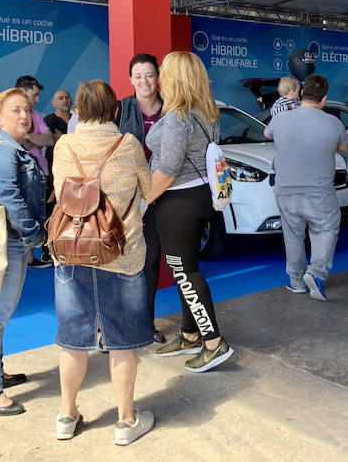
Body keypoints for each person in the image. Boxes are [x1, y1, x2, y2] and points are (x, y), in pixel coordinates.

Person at [51, 80, 155, 444]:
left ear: (78, 111)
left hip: (72, 251)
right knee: (122, 341)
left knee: (73, 340)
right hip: (121, 254)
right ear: (115, 110)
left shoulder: (64, 144)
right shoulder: (127, 145)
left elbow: (60, 189)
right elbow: (148, 190)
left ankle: (66, 415)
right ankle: (126, 422)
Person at [145, 51, 234, 372]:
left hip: (177, 202)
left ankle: (213, 343)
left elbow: (167, 169)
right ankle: (189, 333)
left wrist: (143, 200)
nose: (158, 78)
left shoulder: (176, 119)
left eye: (163, 73)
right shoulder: (206, 112)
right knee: (187, 267)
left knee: (183, 271)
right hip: (200, 196)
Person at [0, 88, 46, 416]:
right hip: (7, 242)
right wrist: (35, 235)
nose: (23, 116)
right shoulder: (4, 150)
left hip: (11, 241)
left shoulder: (13, 148)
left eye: (26, 110)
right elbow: (9, 198)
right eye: (15, 110)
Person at [264, 74, 348, 301]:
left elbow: (267, 133)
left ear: (302, 93)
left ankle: (296, 282)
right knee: (326, 229)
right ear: (324, 99)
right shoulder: (333, 122)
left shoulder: (282, 118)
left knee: (293, 234)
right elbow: (344, 145)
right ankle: (316, 272)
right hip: (319, 191)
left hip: (286, 189)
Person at [116, 53, 166, 344]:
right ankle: (113, 327)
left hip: (162, 196)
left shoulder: (171, 109)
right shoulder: (120, 110)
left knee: (152, 260)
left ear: (158, 77)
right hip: (127, 199)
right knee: (120, 262)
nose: (144, 81)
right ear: (131, 79)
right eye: (138, 76)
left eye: (149, 75)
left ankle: (145, 325)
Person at [14, 75, 54, 268]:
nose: (37, 99)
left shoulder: (36, 116)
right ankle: (24, 257)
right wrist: (34, 138)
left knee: (40, 214)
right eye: (34, 95)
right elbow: (17, 141)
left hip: (40, 172)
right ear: (22, 92)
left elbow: (49, 139)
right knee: (21, 214)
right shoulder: (9, 114)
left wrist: (29, 136)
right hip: (20, 174)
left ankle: (30, 257)